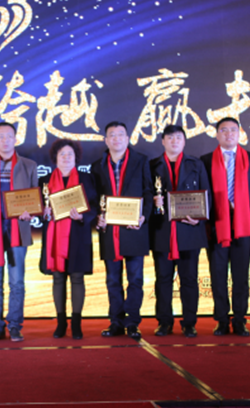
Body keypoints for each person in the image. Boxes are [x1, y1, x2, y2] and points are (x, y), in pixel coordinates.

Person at [200, 117, 250, 337]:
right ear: (217, 134)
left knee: (241, 276)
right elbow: (203, 194)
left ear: (239, 133)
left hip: (243, 225)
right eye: (224, 130)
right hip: (216, 225)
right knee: (217, 275)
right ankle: (221, 320)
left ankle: (239, 320)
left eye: (233, 130)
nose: (229, 134)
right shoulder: (206, 160)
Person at [0, 122, 38, 342]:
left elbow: (34, 197)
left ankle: (14, 325)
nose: (4, 140)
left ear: (15, 139)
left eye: (8, 136)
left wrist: (31, 211)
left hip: (17, 228)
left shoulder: (29, 165)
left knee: (17, 281)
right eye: (0, 137)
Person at [91, 121, 153, 340]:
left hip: (134, 228)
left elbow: (148, 191)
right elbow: (94, 197)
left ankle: (133, 322)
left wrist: (144, 216)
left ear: (127, 139)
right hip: (110, 231)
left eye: (120, 135)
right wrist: (97, 216)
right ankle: (116, 322)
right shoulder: (97, 166)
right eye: (112, 135)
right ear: (106, 140)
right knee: (112, 280)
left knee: (135, 280)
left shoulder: (141, 161)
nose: (116, 138)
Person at [149, 125, 210, 338]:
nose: (174, 141)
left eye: (178, 138)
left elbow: (206, 195)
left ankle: (189, 323)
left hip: (189, 229)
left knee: (189, 279)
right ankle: (164, 322)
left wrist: (200, 217)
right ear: (163, 141)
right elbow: (144, 195)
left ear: (184, 141)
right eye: (170, 137)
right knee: (163, 278)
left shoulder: (196, 164)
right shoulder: (152, 166)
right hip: (162, 230)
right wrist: (152, 202)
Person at [39, 140, 97, 339]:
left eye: (70, 154)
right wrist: (43, 212)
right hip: (54, 236)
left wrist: (82, 216)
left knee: (77, 277)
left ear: (76, 158)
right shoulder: (45, 181)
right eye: (62, 154)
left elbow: (95, 205)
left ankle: (77, 323)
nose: (66, 158)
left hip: (78, 233)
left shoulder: (86, 179)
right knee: (58, 278)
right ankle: (61, 323)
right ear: (55, 157)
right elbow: (38, 208)